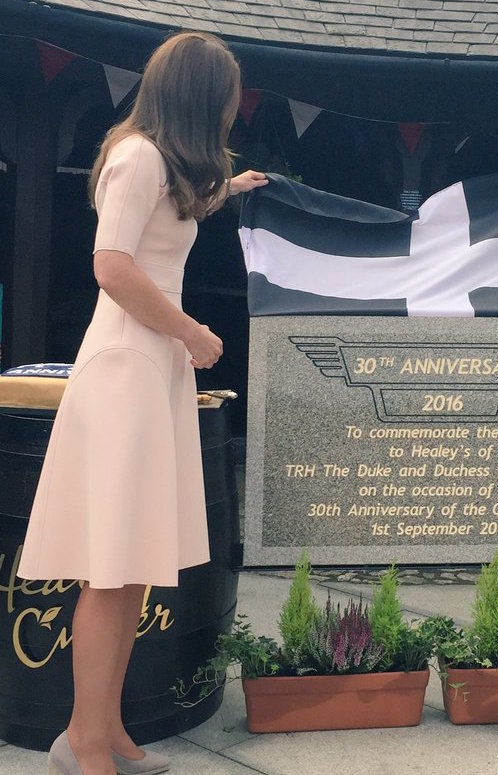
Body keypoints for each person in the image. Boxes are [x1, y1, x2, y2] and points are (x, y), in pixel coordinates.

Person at [17, 31, 267, 775]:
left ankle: (103, 729)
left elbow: (159, 231)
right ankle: (83, 742)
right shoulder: (138, 156)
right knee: (109, 567)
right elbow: (112, 265)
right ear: (199, 95)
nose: (232, 106)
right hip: (129, 367)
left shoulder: (164, 164)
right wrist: (191, 330)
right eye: (226, 94)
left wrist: (233, 189)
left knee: (129, 568)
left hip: (150, 370)